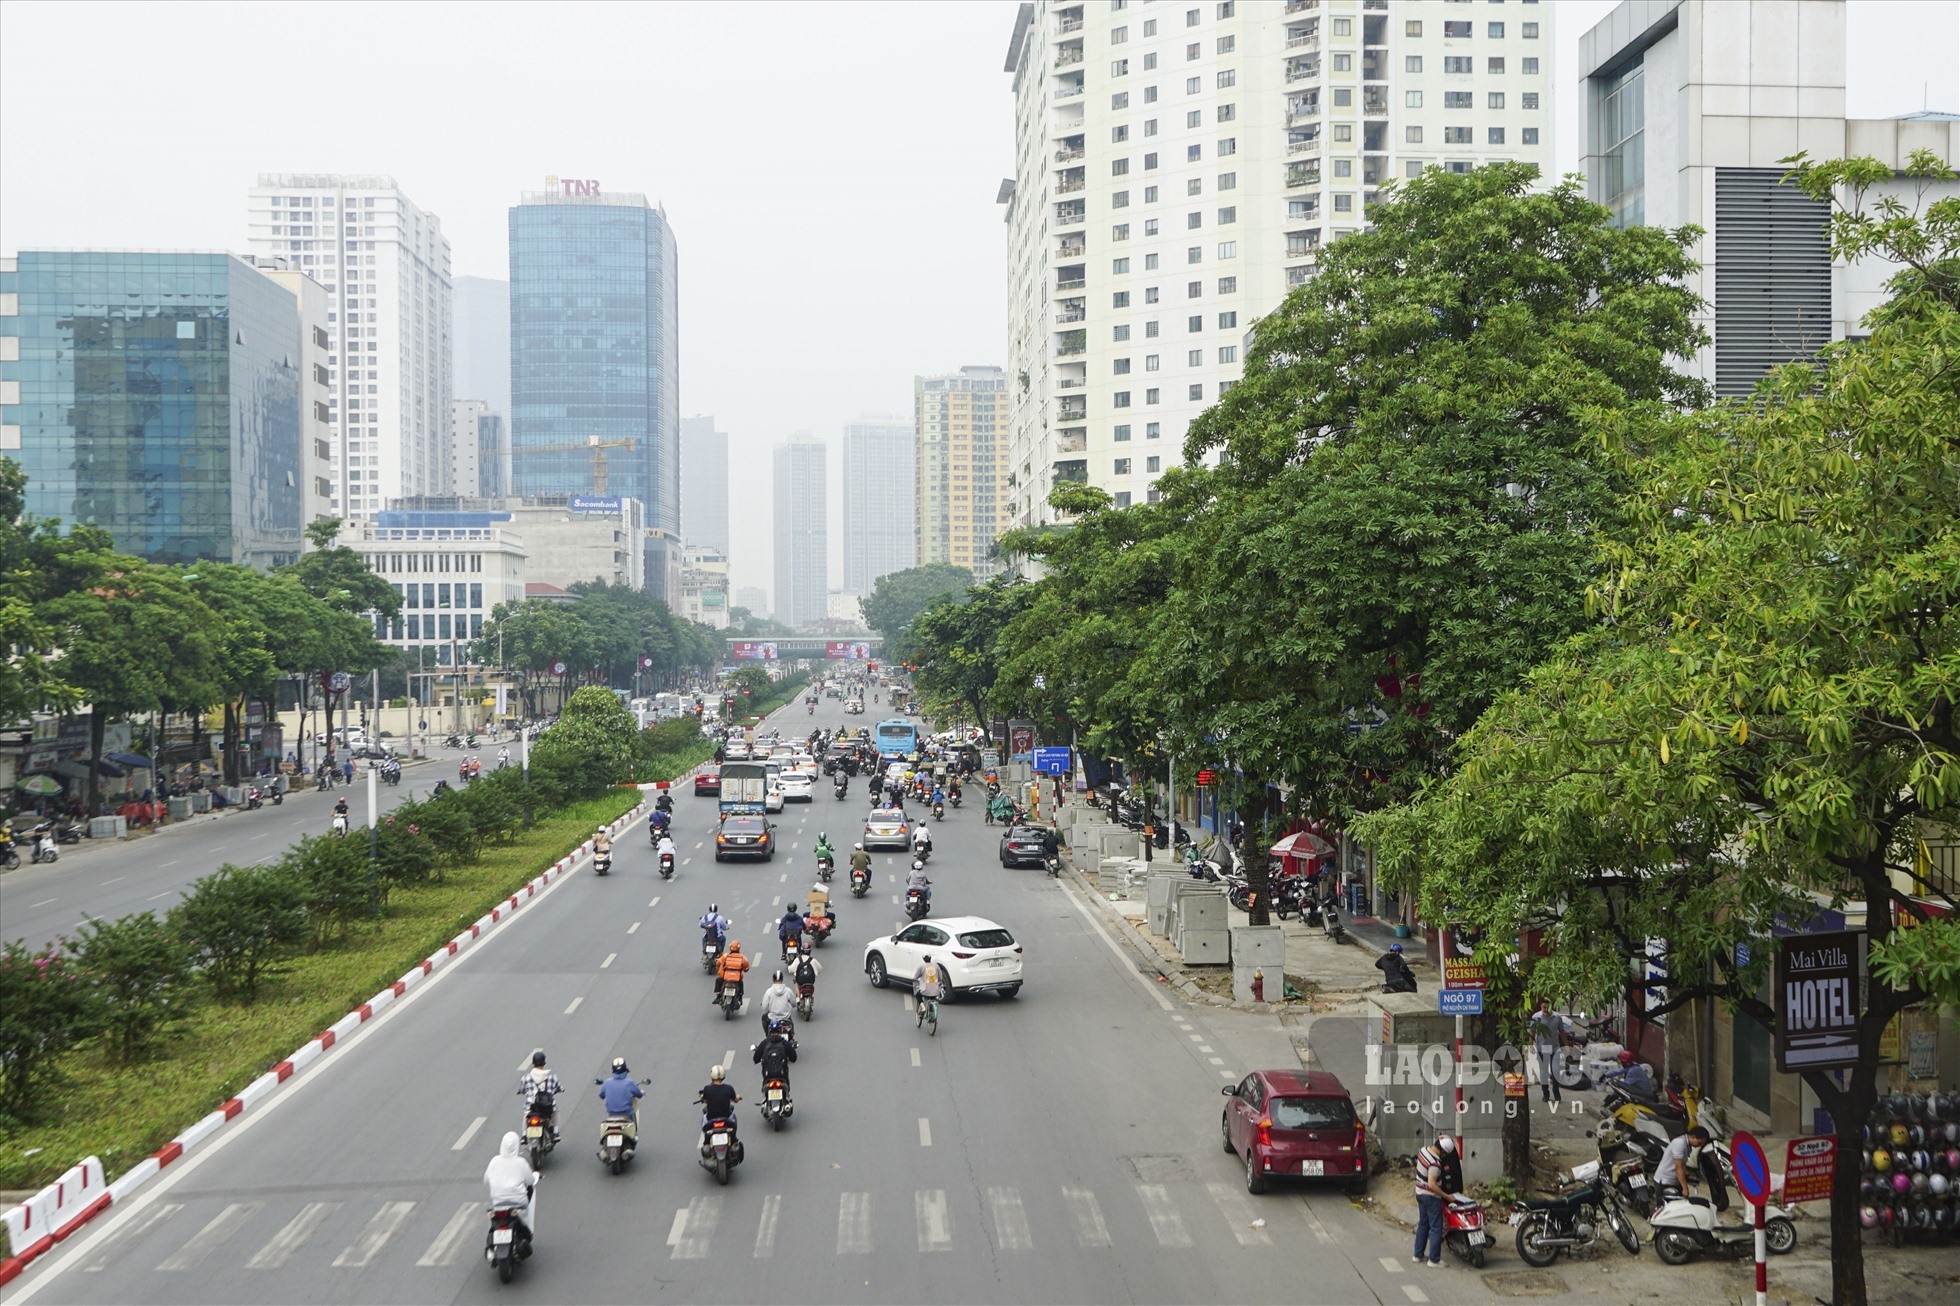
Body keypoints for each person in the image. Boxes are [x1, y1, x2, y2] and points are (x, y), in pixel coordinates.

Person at [482, 1131, 539, 1257]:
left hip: (497, 1204)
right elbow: (530, 1181)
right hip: (518, 1204)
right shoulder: (521, 1162)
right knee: (531, 1190)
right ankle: (528, 1226)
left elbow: (486, 1179)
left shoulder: (494, 1161)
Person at [1411, 1134, 1451, 1267]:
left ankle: (1418, 1254)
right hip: (1430, 1197)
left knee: (1423, 1224)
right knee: (1436, 1228)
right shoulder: (1435, 1163)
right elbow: (1432, 1185)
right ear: (1443, 1151)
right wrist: (1446, 1196)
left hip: (1419, 1193)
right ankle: (1434, 1260)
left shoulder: (1423, 1150)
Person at [1527, 999, 1575, 1104]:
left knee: (1555, 1071)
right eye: (1543, 1007)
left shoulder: (1557, 1017)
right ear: (1541, 1007)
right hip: (1541, 1048)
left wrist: (1566, 1045)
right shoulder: (1536, 1017)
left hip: (1555, 1048)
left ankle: (1556, 1091)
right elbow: (1532, 1031)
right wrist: (1531, 1045)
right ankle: (1545, 1093)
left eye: (1547, 1007)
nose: (1545, 1010)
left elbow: (1562, 1032)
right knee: (1543, 1072)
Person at [597, 1056, 643, 1155]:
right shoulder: (629, 1083)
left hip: (611, 1116)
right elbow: (639, 1094)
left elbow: (601, 1095)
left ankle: (605, 1151)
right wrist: (641, 1093)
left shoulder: (607, 1082)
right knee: (633, 1122)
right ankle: (633, 1137)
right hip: (626, 1115)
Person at [1653, 1125, 1713, 1200]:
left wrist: (1687, 1175)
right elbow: (1678, 1167)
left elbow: (1682, 1164)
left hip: (1675, 1180)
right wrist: (1685, 1188)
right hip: (1665, 1181)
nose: (1700, 1145)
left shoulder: (1686, 1144)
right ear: (1693, 1137)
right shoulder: (1679, 1143)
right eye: (1700, 1142)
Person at [518, 1049, 564, 1142]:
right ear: (544, 1063)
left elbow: (522, 1090)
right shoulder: (551, 1076)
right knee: (556, 1110)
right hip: (547, 1107)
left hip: (532, 1107)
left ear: (533, 1063)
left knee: (526, 1113)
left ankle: (524, 1135)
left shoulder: (526, 1077)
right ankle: (555, 1132)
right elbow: (560, 1088)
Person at [697, 1064, 741, 1137]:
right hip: (726, 1118)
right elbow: (735, 1100)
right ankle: (734, 1139)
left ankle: (706, 1141)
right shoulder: (729, 1088)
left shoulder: (707, 1089)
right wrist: (738, 1097)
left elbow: (705, 1100)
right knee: (733, 1119)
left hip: (711, 1118)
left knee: (704, 1121)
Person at [754, 1022, 798, 1093]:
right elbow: (794, 1058)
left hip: (768, 1075)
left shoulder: (764, 1043)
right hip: (782, 1075)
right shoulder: (785, 1043)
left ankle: (765, 1101)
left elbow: (755, 1059)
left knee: (764, 1090)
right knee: (786, 1089)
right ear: (780, 1030)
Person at [759, 968, 797, 1037]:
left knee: (764, 1017)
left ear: (773, 980)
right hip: (785, 1018)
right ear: (782, 980)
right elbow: (794, 1004)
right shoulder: (788, 991)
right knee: (790, 1022)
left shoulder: (769, 992)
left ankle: (768, 1035)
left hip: (772, 1018)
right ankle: (792, 1035)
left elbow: (764, 1007)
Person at [714, 940, 750, 1006]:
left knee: (718, 980)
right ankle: (740, 998)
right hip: (737, 979)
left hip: (725, 978)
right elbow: (746, 969)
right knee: (741, 984)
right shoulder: (743, 958)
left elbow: (717, 963)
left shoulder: (725, 956)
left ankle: (718, 996)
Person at [912, 953, 946, 1018]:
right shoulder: (936, 966)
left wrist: (914, 979)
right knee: (932, 998)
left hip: (925, 991)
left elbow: (915, 977)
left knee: (918, 995)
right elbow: (940, 978)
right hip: (936, 991)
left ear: (923, 959)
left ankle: (923, 1008)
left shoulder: (921, 966)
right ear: (930, 958)